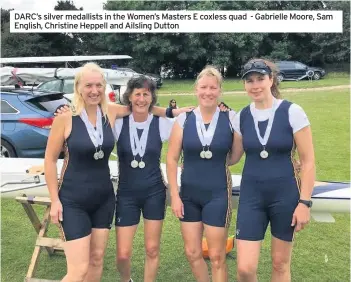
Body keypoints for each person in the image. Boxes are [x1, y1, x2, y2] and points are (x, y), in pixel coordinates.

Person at [45, 63, 185, 282]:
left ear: (104, 87)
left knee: (97, 259)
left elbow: (142, 108)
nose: (94, 90)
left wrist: (173, 111)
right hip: (74, 199)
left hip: (104, 198)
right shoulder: (65, 118)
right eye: (88, 85)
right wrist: (55, 200)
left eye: (98, 85)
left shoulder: (110, 112)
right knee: (79, 269)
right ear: (78, 87)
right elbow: (49, 160)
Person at [229, 59, 315, 282]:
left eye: (260, 79)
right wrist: (197, 156)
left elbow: (308, 162)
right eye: (250, 81)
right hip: (252, 197)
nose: (255, 85)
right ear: (245, 85)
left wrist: (304, 203)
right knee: (245, 269)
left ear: (271, 80)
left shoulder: (292, 111)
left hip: (284, 196)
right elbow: (233, 157)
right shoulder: (242, 116)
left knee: (279, 265)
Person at [113, 75, 192, 282]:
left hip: (154, 192)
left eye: (146, 94)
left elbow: (188, 134)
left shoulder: (162, 123)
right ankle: (126, 280)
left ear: (152, 97)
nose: (141, 99)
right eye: (137, 94)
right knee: (122, 254)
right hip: (126, 193)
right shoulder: (118, 122)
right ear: (129, 97)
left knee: (152, 249)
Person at [166, 66, 236, 282]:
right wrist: (175, 196)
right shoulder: (183, 120)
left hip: (217, 194)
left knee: (216, 255)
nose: (208, 92)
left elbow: (235, 156)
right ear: (196, 89)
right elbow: (171, 158)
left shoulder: (231, 117)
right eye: (203, 87)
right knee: (193, 253)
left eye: (213, 88)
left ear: (220, 91)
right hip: (188, 196)